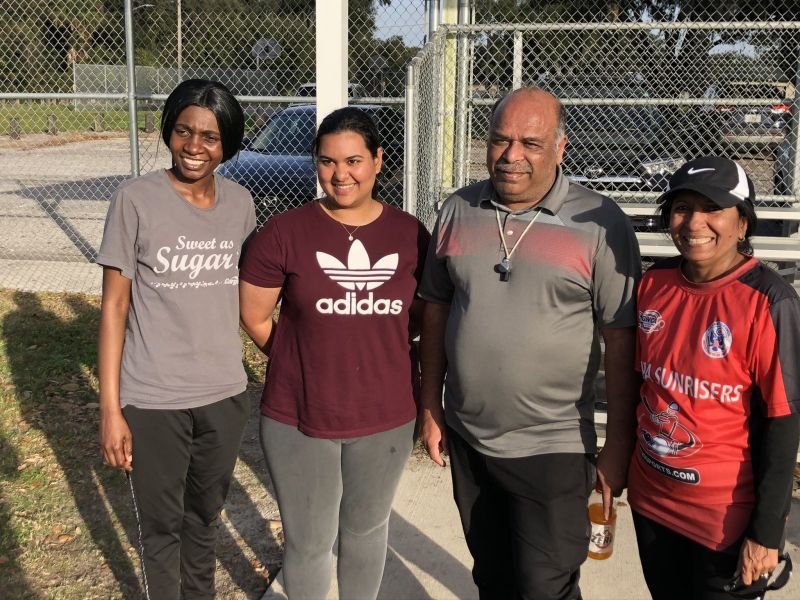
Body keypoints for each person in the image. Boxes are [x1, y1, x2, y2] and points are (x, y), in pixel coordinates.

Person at [417, 86, 642, 599]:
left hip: (553, 446)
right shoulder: (458, 209)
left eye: (530, 143)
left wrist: (618, 445)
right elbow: (435, 308)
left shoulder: (600, 224)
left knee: (546, 586)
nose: (512, 155)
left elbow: (622, 342)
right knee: (492, 577)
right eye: (500, 140)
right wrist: (431, 405)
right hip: (470, 438)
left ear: (561, 148)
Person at [238, 106, 429, 599]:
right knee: (308, 542)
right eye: (327, 162)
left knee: (366, 531)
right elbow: (256, 316)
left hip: (385, 416)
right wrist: (300, 363)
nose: (340, 174)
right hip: (299, 416)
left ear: (378, 160)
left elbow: (425, 321)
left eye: (353, 161)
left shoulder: (410, 236)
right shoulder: (284, 232)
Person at [97, 79, 256, 598]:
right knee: (161, 530)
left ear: (227, 144)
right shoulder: (135, 200)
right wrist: (111, 409)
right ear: (168, 131)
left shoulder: (240, 204)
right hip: (155, 399)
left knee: (203, 520)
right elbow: (115, 306)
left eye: (210, 136)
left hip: (224, 395)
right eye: (184, 131)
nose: (194, 146)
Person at [627, 156, 800, 599]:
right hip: (652, 504)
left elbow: (784, 425)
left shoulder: (769, 302)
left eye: (712, 208)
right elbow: (641, 387)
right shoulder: (654, 283)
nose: (693, 222)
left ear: (743, 224)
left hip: (723, 522)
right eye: (682, 207)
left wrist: (765, 535)